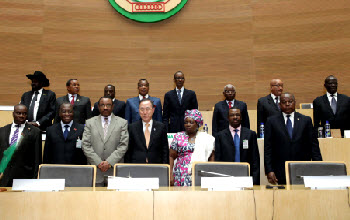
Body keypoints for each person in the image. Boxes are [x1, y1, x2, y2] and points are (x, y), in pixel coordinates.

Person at [264, 93, 322, 185]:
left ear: (295, 103)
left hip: (303, 168)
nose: (287, 104)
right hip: (280, 169)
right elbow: (268, 148)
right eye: (284, 102)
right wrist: (269, 170)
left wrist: (318, 166)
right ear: (279, 105)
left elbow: (314, 146)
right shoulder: (271, 121)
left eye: (290, 101)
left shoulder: (306, 120)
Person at [82, 96, 129, 186]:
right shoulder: (89, 123)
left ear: (113, 106)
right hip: (95, 171)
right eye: (102, 105)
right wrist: (98, 162)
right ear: (98, 107)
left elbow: (123, 146)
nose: (105, 107)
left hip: (114, 171)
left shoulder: (122, 122)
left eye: (108, 105)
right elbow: (85, 145)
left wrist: (109, 162)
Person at [169, 109, 215, 186]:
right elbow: (171, 156)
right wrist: (170, 174)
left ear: (198, 124)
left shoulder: (206, 138)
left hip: (199, 174)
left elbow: (211, 157)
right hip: (180, 174)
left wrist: (210, 175)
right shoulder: (178, 136)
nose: (188, 124)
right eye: (186, 122)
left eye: (191, 122)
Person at [215, 107, 260, 185]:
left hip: (246, 176)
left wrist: (255, 181)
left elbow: (255, 160)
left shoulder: (250, 134)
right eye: (232, 115)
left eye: (237, 115)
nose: (235, 117)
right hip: (226, 178)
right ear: (228, 118)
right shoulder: (220, 136)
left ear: (241, 117)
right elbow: (218, 161)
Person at [0, 104, 42, 187]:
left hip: (24, 177)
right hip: (4, 177)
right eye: (18, 113)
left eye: (24, 113)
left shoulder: (35, 131)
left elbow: (37, 158)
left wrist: (34, 179)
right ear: (13, 114)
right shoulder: (2, 130)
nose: (21, 116)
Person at [125, 98, 169, 164]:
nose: (145, 112)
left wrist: (165, 167)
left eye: (148, 109)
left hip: (156, 166)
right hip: (137, 166)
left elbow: (165, 150)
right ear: (139, 111)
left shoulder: (161, 127)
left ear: (153, 110)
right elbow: (128, 151)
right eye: (142, 109)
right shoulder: (132, 127)